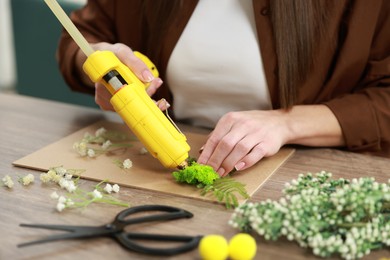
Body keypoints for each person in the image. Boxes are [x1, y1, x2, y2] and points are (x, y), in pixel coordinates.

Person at [57, 0, 390, 176]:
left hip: (309, 171)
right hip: (155, 167)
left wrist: (286, 123)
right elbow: (80, 37)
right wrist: (98, 64)